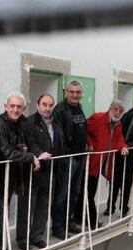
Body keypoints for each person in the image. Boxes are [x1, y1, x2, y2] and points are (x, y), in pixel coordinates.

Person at [0, 91, 40, 250]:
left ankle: (2, 246)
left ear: (24, 108)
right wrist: (30, 157)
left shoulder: (23, 123)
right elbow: (7, 152)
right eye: (12, 106)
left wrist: (33, 153)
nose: (15, 109)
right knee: (0, 212)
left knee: (5, 212)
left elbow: (28, 144)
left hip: (14, 175)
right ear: (6, 107)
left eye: (19, 107)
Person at [16, 94, 65, 250]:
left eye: (50, 105)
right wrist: (38, 154)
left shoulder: (56, 122)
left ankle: (37, 236)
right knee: (27, 207)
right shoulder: (29, 123)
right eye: (44, 104)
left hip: (51, 170)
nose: (47, 108)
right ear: (37, 105)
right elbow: (29, 143)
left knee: (43, 206)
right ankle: (22, 239)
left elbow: (59, 143)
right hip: (33, 171)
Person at [72, 100, 129, 229]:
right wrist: (89, 143)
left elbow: (119, 139)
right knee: (87, 193)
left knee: (86, 192)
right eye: (116, 109)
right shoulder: (98, 118)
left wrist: (123, 147)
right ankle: (92, 222)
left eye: (121, 110)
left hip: (100, 165)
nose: (118, 112)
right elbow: (82, 129)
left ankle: (78, 218)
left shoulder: (118, 124)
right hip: (90, 162)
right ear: (110, 108)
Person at [52, 80, 87, 238]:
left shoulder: (79, 107)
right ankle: (58, 226)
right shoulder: (59, 110)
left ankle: (68, 221)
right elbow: (59, 136)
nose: (74, 95)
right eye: (72, 92)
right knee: (62, 194)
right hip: (68, 158)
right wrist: (66, 156)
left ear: (81, 94)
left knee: (74, 192)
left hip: (80, 156)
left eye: (77, 92)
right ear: (66, 92)